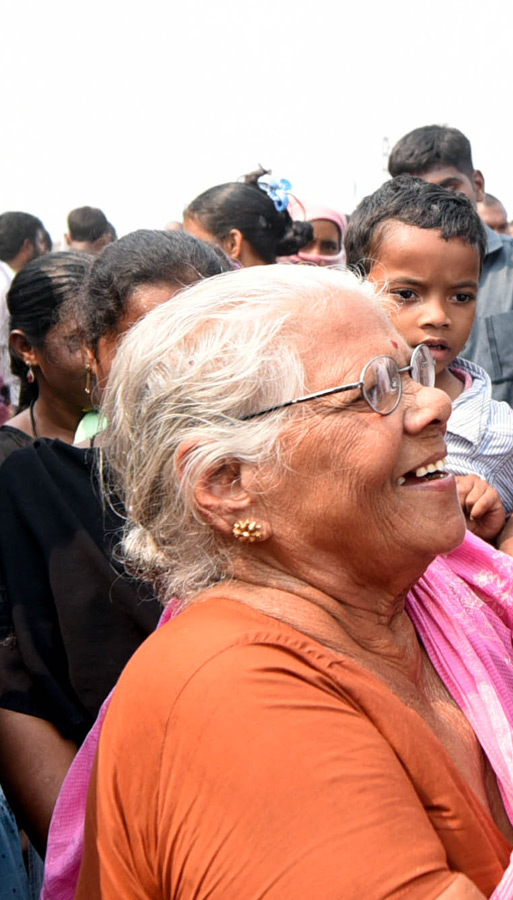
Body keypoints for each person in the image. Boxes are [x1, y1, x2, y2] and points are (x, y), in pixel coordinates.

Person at [75, 263, 513, 900]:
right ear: (228, 484)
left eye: (413, 371)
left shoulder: (427, 601)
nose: (436, 404)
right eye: (374, 390)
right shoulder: (231, 699)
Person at [0, 231, 228, 861]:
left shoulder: (277, 477)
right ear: (95, 359)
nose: (176, 372)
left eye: (203, 341)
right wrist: (103, 855)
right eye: (147, 346)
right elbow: (18, 691)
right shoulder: (35, 490)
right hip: (130, 830)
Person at [345, 176, 513, 532]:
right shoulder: (326, 399)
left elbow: (506, 543)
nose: (438, 316)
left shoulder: (501, 435)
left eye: (461, 297)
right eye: (407, 294)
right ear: (354, 287)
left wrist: (488, 518)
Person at [388, 125, 513, 416]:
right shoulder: (379, 278)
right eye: (417, 194)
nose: (436, 206)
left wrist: (503, 457)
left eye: (449, 189)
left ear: (478, 185)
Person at [2, 251, 92, 460]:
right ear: (26, 347)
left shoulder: (136, 435)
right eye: (78, 342)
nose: (101, 357)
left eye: (111, 336)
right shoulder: (9, 461)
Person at [183, 169, 314, 267]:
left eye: (198, 247)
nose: (188, 258)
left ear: (233, 243)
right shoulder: (295, 293)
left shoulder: (237, 301)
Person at [0, 213, 52, 415]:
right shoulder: (8, 288)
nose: (45, 247)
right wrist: (14, 401)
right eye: (40, 240)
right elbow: (5, 347)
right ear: (28, 245)